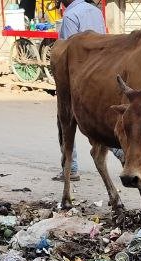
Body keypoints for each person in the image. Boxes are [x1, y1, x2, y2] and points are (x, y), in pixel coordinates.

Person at [52, 0, 106, 182]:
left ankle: (71, 168)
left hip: (79, 76)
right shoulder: (95, 11)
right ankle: (121, 152)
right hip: (100, 71)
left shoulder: (70, 16)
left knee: (65, 120)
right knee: (102, 119)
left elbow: (67, 53)